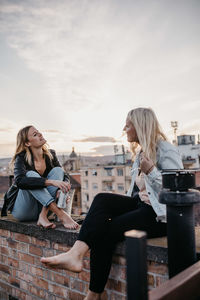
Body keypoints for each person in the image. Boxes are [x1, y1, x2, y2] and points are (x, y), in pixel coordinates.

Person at [41, 107, 183, 300]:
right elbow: (136, 193)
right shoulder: (141, 152)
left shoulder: (166, 149)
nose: (124, 128)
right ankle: (76, 255)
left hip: (161, 216)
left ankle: (93, 294)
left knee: (105, 232)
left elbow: (179, 188)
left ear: (140, 125)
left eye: (128, 124)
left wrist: (151, 172)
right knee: (101, 199)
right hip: (143, 207)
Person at [2, 125, 79, 229]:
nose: (40, 134)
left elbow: (64, 176)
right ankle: (61, 215)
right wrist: (51, 182)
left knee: (58, 171)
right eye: (35, 134)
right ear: (27, 143)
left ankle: (42, 216)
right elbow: (20, 181)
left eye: (38, 132)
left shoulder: (50, 154)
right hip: (24, 211)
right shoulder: (21, 157)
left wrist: (61, 189)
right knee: (30, 175)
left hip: (43, 208)